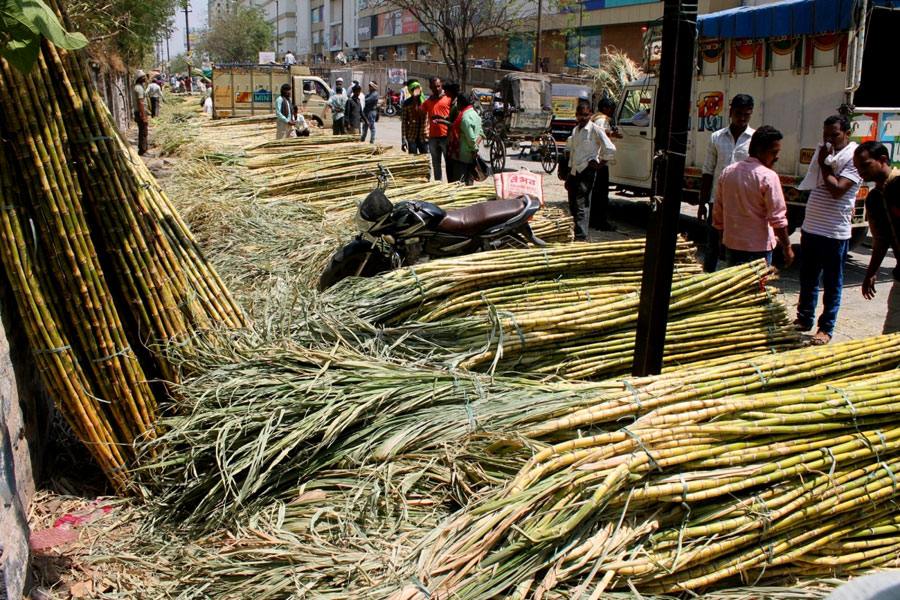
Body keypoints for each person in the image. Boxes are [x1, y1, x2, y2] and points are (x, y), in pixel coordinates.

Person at [794, 114, 862, 346]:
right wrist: (824, 160)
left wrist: (824, 163)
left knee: (832, 282)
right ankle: (804, 318)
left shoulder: (853, 157)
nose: (829, 139)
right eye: (826, 135)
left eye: (835, 135)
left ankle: (826, 327)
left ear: (847, 134)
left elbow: (837, 190)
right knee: (808, 278)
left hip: (834, 231)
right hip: (812, 226)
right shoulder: (825, 152)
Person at [713, 125, 793, 268]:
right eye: (774, 152)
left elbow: (718, 212)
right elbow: (777, 219)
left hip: (732, 245)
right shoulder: (768, 177)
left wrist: (721, 240)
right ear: (759, 151)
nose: (777, 157)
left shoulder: (728, 172)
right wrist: (787, 247)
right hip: (758, 249)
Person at [698, 94, 756, 272]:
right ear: (730, 112)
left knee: (737, 247)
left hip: (742, 203)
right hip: (718, 201)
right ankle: (708, 277)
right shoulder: (717, 137)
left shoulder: (755, 139)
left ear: (751, 114)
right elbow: (708, 170)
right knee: (713, 245)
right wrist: (702, 202)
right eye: (738, 113)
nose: (742, 118)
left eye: (746, 114)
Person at [855, 141, 900, 334]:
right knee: (892, 332)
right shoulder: (874, 198)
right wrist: (870, 272)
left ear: (882, 160)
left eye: (865, 165)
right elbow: (881, 240)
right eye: (857, 168)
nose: (861, 172)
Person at [559, 100, 616, 241]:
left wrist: (600, 164)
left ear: (590, 114)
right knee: (572, 202)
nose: (583, 117)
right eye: (580, 115)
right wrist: (568, 174)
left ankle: (581, 235)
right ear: (576, 115)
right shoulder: (576, 131)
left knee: (582, 203)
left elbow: (610, 148)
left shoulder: (595, 130)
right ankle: (576, 230)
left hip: (587, 171)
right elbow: (573, 153)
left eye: (586, 115)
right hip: (575, 170)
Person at [589, 97, 622, 231]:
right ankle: (600, 222)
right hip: (600, 161)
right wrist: (613, 134)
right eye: (611, 109)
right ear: (605, 109)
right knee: (601, 194)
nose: (612, 112)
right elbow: (602, 135)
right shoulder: (602, 120)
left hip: (596, 160)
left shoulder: (596, 119)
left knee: (596, 193)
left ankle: (593, 220)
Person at [419, 76, 451, 180]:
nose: (437, 89)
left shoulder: (448, 99)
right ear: (430, 87)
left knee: (449, 164)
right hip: (433, 137)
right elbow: (419, 112)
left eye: (438, 86)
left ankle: (451, 184)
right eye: (434, 87)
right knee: (436, 164)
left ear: (441, 86)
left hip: (446, 137)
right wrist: (416, 98)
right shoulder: (429, 101)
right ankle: (438, 184)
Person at [448, 92, 483, 186]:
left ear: (461, 103)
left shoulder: (465, 118)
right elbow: (481, 133)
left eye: (457, 102)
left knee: (461, 182)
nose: (456, 105)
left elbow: (471, 138)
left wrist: (474, 149)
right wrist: (476, 148)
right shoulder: (475, 114)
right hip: (471, 156)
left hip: (463, 156)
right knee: (469, 182)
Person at [401, 80, 428, 155]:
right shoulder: (407, 104)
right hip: (412, 136)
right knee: (413, 158)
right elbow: (404, 122)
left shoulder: (426, 102)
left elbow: (421, 114)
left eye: (418, 89)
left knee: (426, 158)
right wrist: (403, 139)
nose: (417, 91)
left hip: (424, 136)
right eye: (414, 89)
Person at [132, 70, 149, 155]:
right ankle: (143, 150)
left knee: (143, 131)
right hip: (141, 112)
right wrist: (143, 116)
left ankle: (143, 148)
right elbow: (140, 103)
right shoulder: (139, 88)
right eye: (143, 77)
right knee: (143, 132)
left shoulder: (139, 87)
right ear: (139, 78)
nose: (145, 78)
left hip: (140, 112)